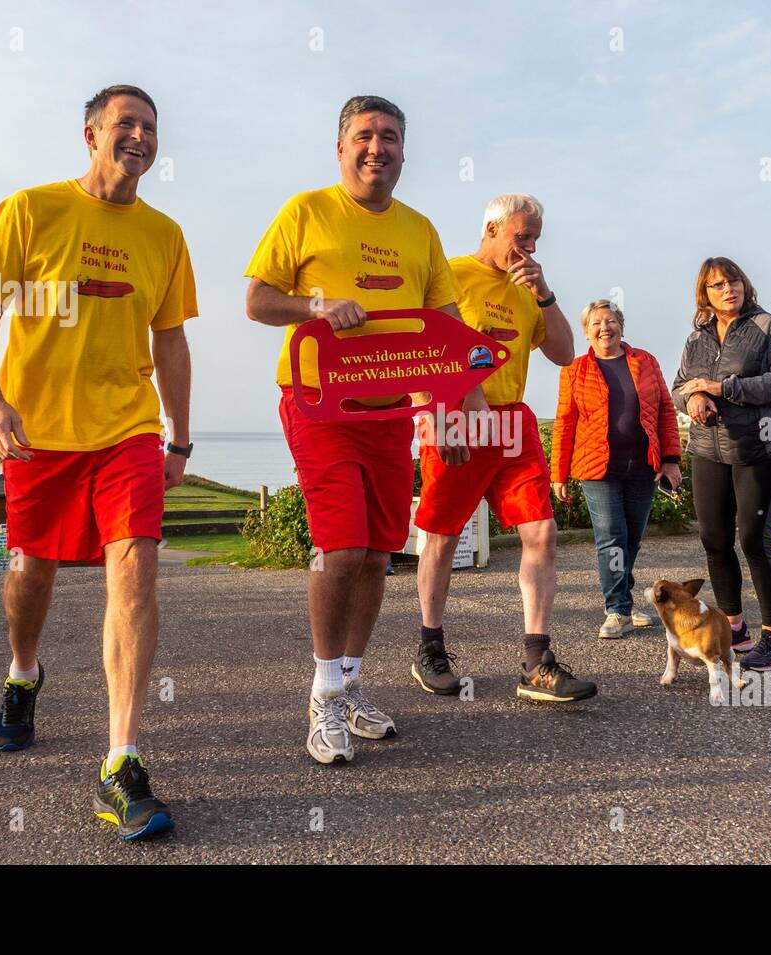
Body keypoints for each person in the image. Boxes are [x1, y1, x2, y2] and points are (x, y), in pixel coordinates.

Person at [0, 84, 198, 839]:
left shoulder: (165, 235)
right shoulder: (30, 210)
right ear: (91, 134)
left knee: (135, 568)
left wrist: (178, 438)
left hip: (125, 432)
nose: (140, 136)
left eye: (150, 127)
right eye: (125, 123)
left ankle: (120, 761)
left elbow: (170, 343)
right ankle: (24, 671)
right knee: (31, 572)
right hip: (39, 436)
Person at [245, 95, 490, 763]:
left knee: (381, 553)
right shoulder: (307, 211)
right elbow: (258, 299)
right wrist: (316, 305)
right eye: (363, 135)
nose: (376, 147)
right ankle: (323, 694)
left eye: (389, 137)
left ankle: (349, 684)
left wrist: (459, 404)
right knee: (343, 548)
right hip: (320, 405)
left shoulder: (421, 230)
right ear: (340, 147)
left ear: (404, 152)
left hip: (391, 414)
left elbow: (448, 332)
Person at [413, 193, 600, 705]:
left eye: (536, 238)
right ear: (492, 229)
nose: (531, 247)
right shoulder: (448, 273)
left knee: (541, 531)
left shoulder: (527, 288)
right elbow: (418, 348)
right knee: (444, 534)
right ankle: (430, 647)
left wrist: (544, 293)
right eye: (522, 236)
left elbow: (563, 353)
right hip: (453, 417)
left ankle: (536, 662)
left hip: (511, 420)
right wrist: (436, 415)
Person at [673, 257, 771, 671]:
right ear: (705, 296)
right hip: (710, 449)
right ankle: (734, 627)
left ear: (744, 285)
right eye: (717, 285)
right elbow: (679, 385)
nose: (728, 289)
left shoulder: (768, 327)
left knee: (753, 540)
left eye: (733, 281)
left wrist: (722, 387)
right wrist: (692, 399)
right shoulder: (697, 338)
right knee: (714, 539)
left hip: (761, 449)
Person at [550, 300, 680, 640]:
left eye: (610, 321)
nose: (604, 327)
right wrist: (558, 473)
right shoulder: (575, 369)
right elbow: (565, 423)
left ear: (621, 325)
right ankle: (617, 610)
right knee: (611, 539)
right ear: (586, 331)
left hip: (643, 466)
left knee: (631, 539)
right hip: (596, 468)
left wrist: (670, 460)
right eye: (596, 323)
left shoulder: (645, 361)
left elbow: (666, 410)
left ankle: (623, 599)